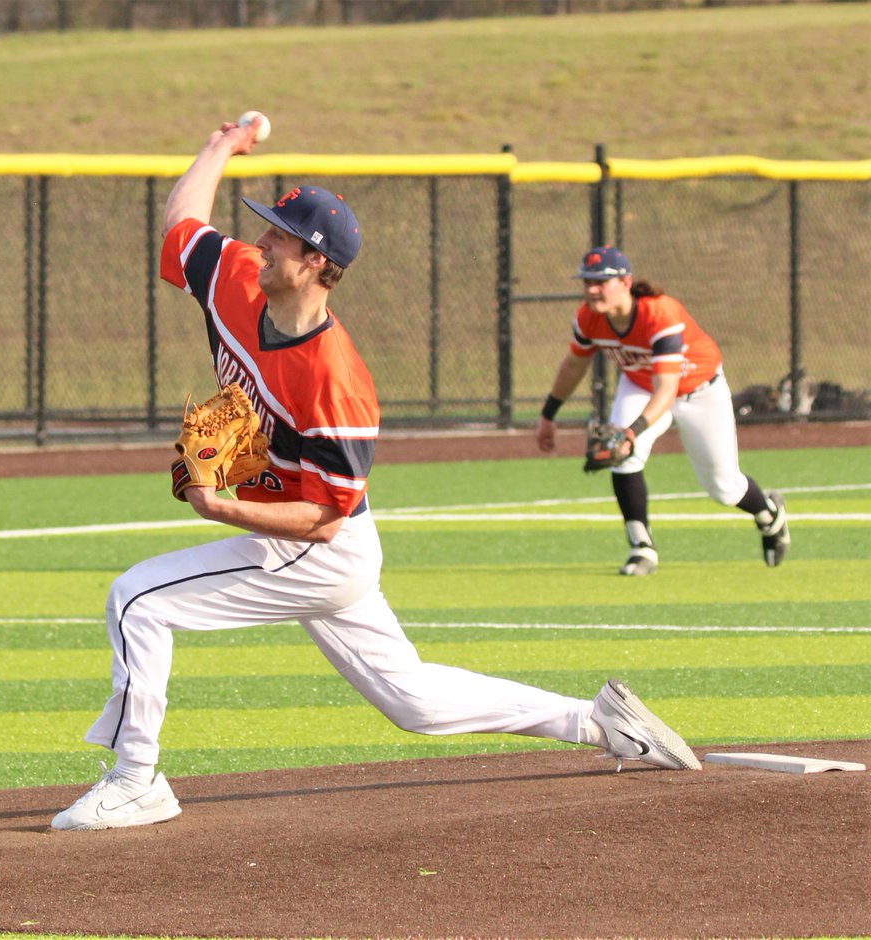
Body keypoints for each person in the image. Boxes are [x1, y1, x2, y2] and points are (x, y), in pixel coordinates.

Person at [49, 123, 701, 833]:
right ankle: (596, 723)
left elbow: (324, 519)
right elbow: (182, 223)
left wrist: (221, 508)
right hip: (324, 545)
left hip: (315, 546)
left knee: (138, 601)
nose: (261, 242)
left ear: (314, 263)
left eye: (279, 238)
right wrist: (221, 146)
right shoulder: (235, 278)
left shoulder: (337, 382)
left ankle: (136, 779)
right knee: (412, 702)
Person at [536, 245, 790, 576]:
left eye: (602, 280)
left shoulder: (660, 313)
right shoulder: (589, 317)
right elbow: (573, 365)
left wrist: (632, 432)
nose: (592, 289)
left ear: (625, 282)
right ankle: (641, 547)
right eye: (587, 281)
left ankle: (769, 514)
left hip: (699, 391)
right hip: (641, 385)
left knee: (724, 488)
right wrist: (548, 414)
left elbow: (667, 389)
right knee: (621, 456)